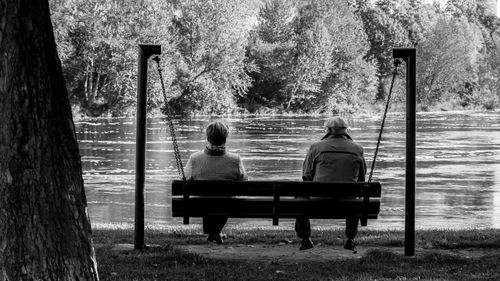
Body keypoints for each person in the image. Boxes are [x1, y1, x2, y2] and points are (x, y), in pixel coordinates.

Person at [296, 116, 367, 251]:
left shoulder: (316, 147)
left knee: (298, 198)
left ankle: (305, 238)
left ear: (327, 130)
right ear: (346, 130)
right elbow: (361, 179)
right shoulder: (358, 149)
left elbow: (306, 176)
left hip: (319, 200)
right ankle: (350, 239)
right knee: (356, 198)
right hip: (348, 202)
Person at [184, 121, 248, 245]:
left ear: (208, 138)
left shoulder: (195, 158)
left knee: (207, 200)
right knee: (224, 200)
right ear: (225, 138)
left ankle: (213, 232)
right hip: (227, 205)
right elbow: (244, 182)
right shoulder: (235, 159)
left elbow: (186, 179)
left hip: (199, 205)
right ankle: (216, 232)